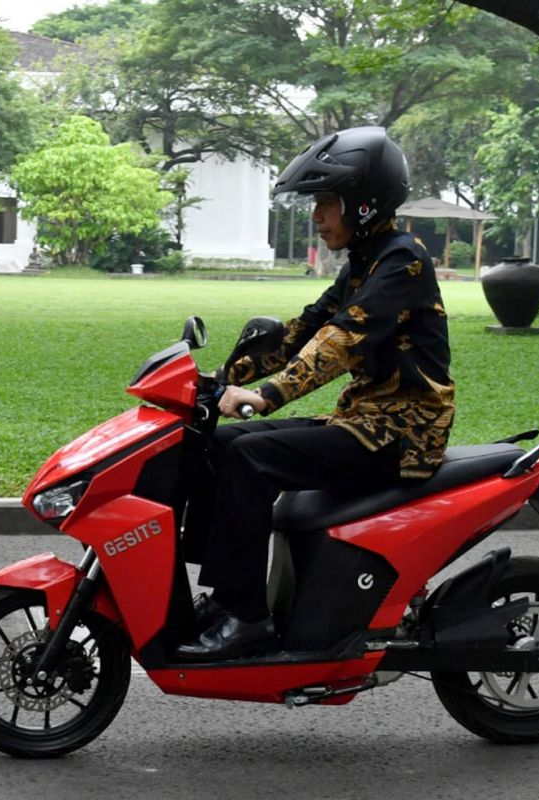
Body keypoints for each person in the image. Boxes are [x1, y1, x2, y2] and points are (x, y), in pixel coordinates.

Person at [177, 126, 455, 660]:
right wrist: (217, 380)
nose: (316, 216)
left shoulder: (404, 262)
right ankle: (225, 595)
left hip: (401, 435)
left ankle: (246, 617)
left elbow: (341, 340)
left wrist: (268, 395)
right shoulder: (365, 264)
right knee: (221, 444)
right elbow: (302, 332)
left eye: (327, 203)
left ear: (364, 204)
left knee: (251, 458)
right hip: (363, 421)